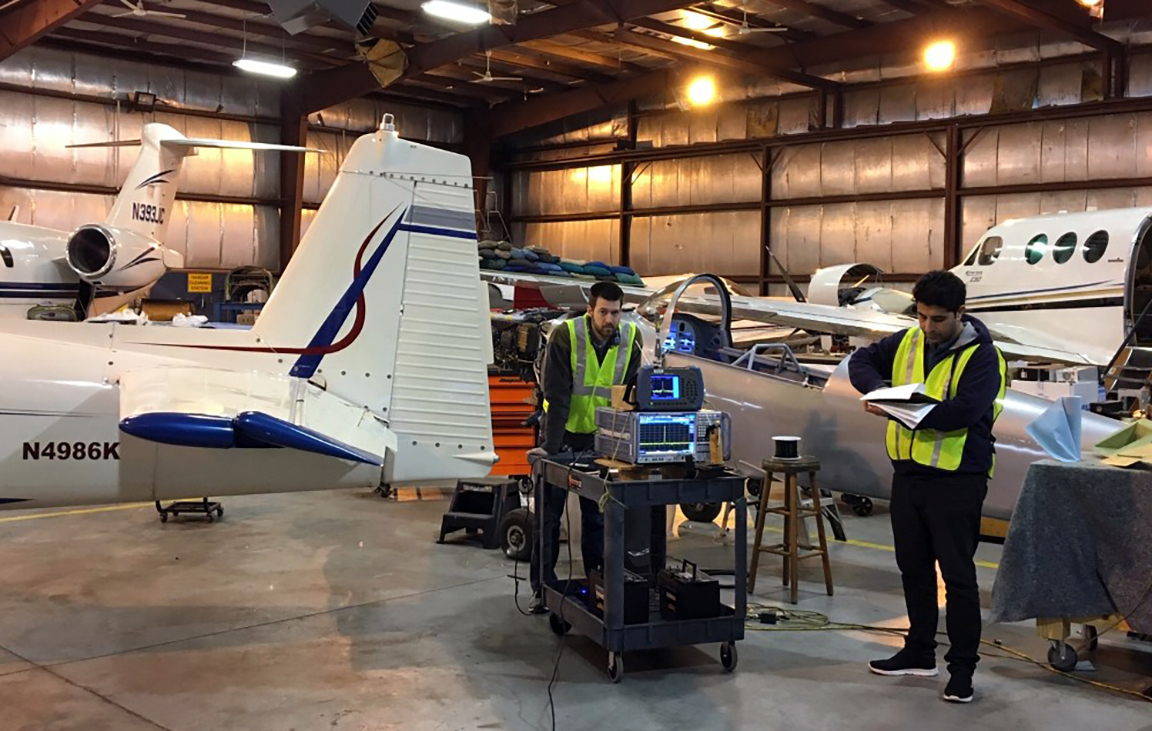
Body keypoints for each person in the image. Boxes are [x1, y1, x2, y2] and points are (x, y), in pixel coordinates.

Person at [849, 270, 1006, 704]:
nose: (927, 327)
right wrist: (881, 389)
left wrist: (897, 407)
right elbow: (860, 362)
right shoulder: (908, 341)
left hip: (958, 479)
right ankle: (919, 651)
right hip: (909, 475)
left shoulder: (983, 357)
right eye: (920, 316)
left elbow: (963, 412)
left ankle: (962, 671)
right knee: (913, 568)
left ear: (960, 313)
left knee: (958, 579)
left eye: (937, 319)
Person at [526, 281, 643, 613]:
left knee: (597, 519)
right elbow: (557, 394)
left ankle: (598, 589)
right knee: (548, 520)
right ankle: (542, 589)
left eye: (615, 313)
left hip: (602, 441)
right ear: (590, 309)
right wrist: (550, 447)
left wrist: (623, 446)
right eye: (603, 312)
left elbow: (630, 398)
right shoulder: (567, 336)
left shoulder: (631, 339)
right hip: (561, 437)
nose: (609, 320)